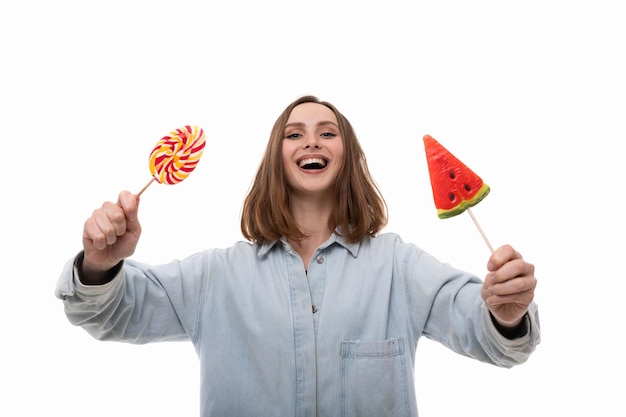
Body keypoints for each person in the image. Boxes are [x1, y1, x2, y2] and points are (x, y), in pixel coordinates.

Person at [56, 95, 540, 417]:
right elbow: (109, 314)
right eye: (295, 134)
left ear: (347, 156)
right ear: (276, 159)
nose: (311, 140)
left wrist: (507, 314)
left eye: (328, 133)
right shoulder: (216, 277)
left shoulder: (399, 267)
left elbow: (496, 339)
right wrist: (101, 262)